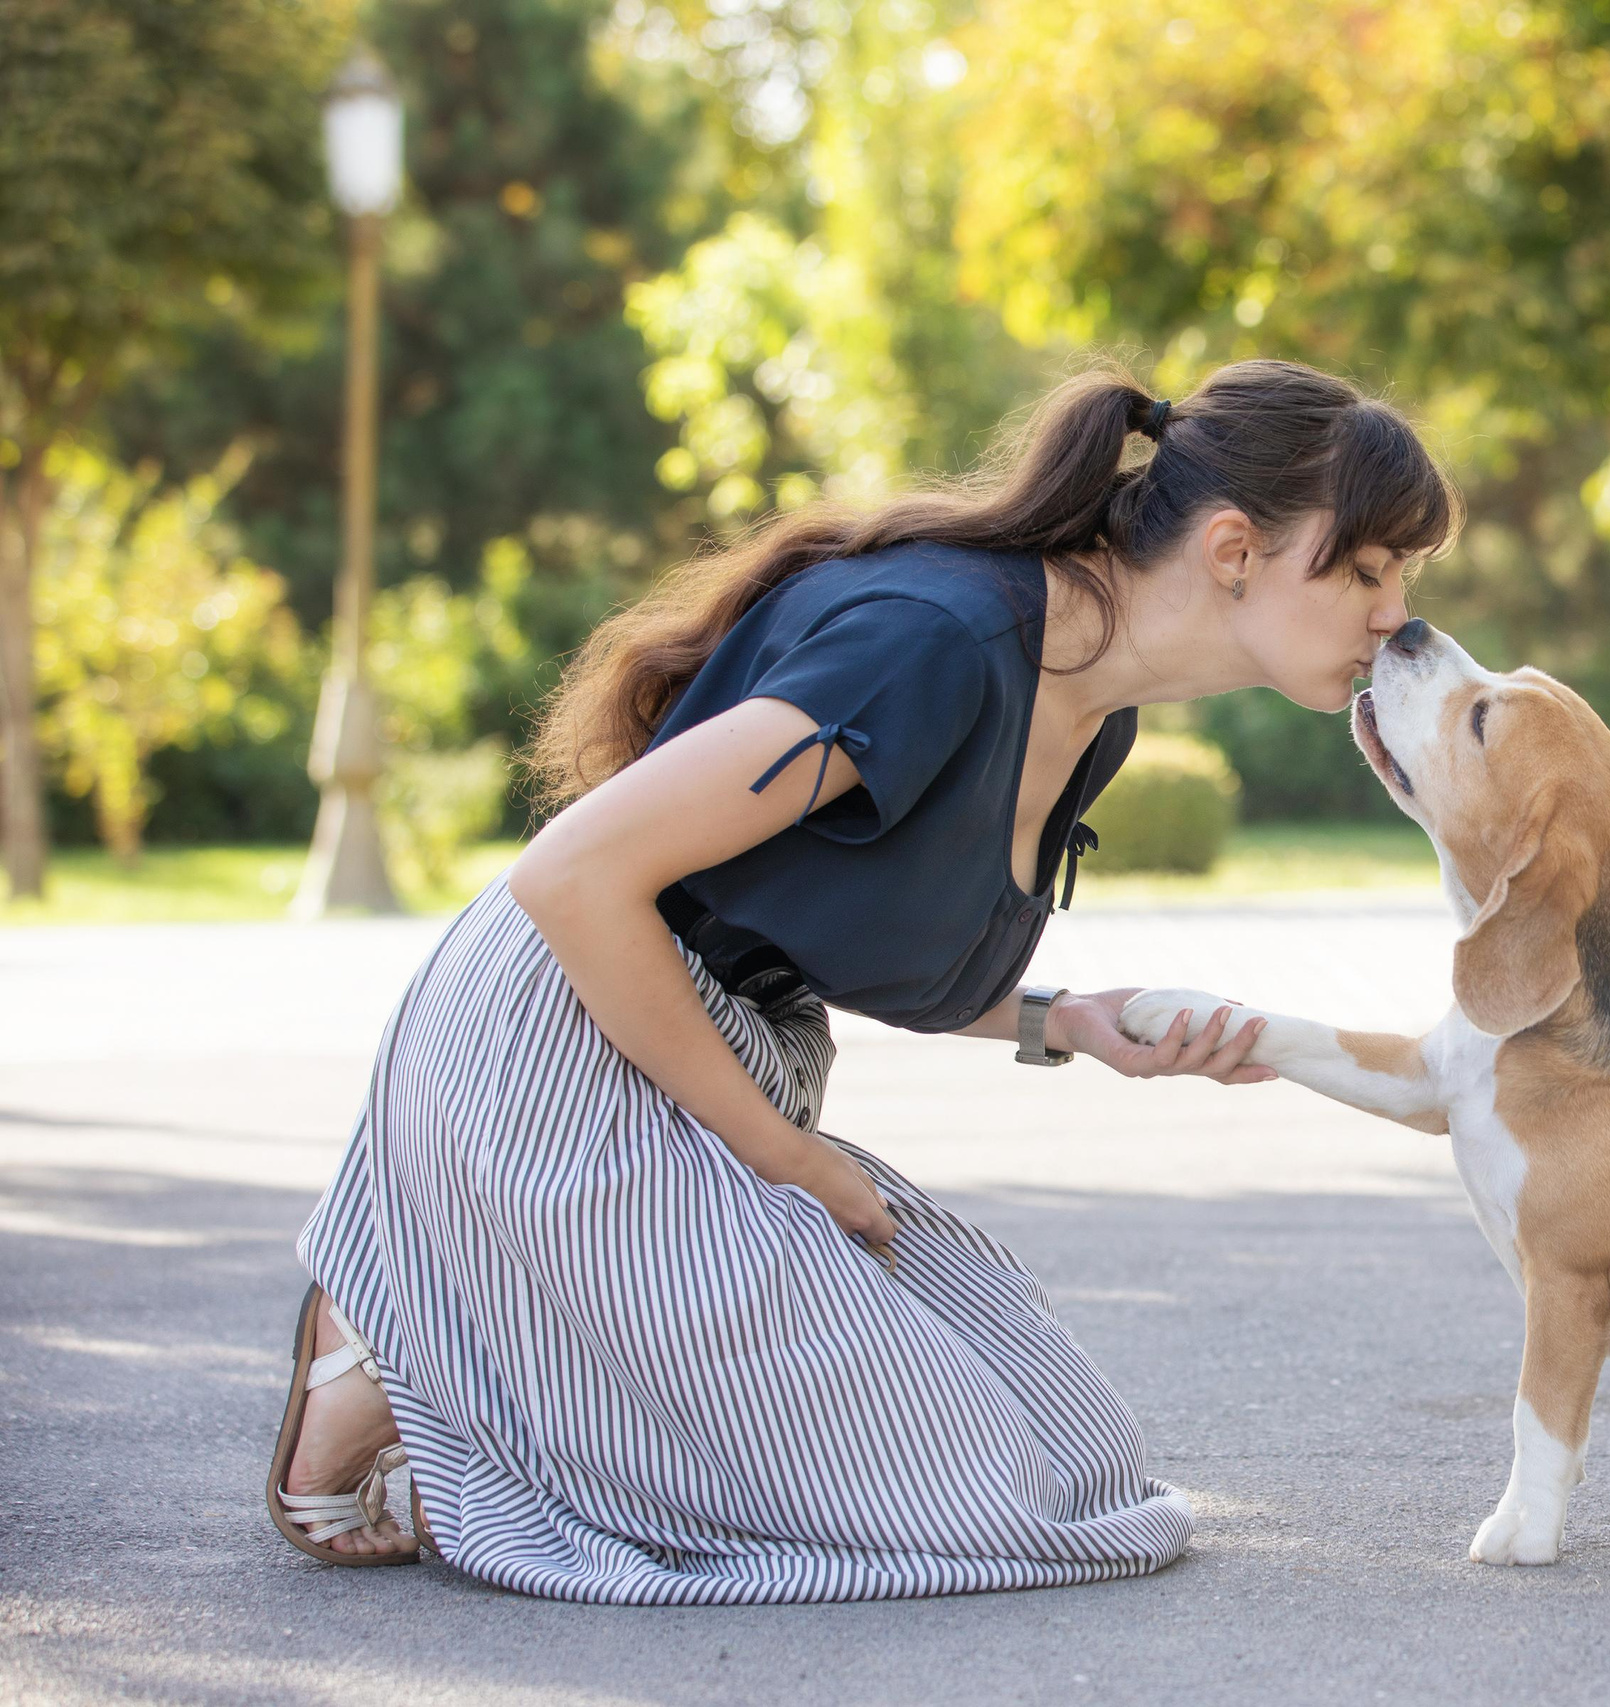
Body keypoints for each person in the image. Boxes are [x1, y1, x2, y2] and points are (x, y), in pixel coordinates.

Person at [265, 357, 1459, 1604]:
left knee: (1082, 1465)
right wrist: (791, 1163)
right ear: (1232, 549)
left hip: (719, 1066)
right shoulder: (937, 643)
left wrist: (1067, 1021)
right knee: (985, 1504)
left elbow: (855, 926)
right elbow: (574, 879)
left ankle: (467, 1321)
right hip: (554, 1063)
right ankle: (393, 1326)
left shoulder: (1094, 710)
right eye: (1367, 571)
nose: (1394, 618)